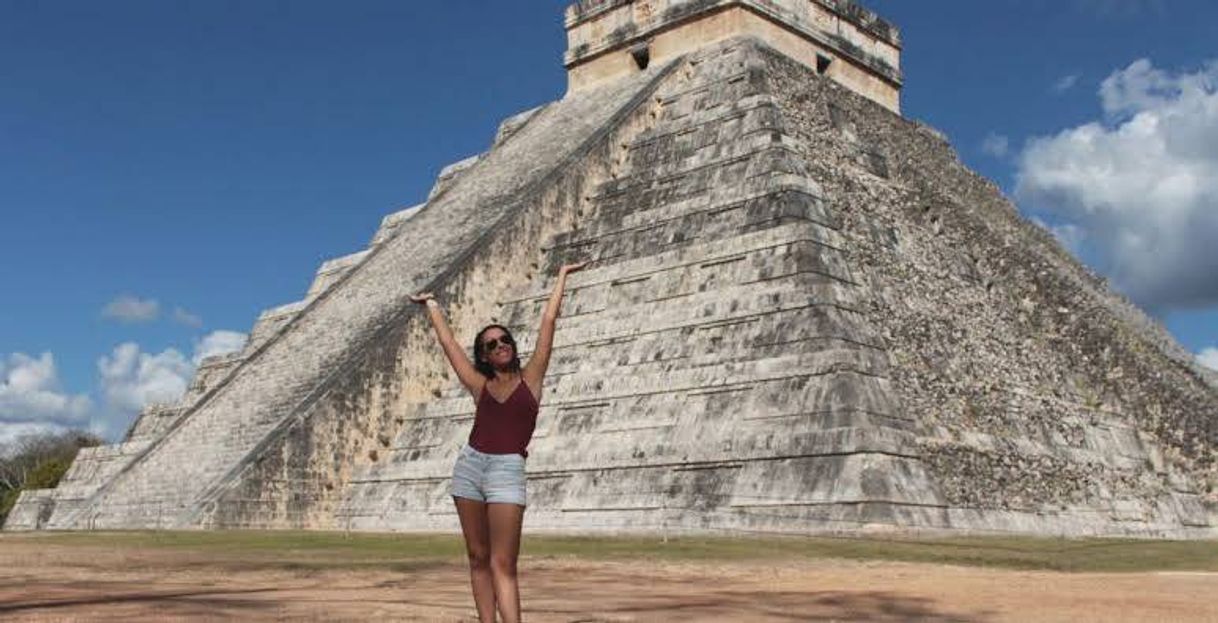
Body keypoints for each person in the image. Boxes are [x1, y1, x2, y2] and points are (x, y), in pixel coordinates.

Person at [410, 260, 587, 623]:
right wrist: (432, 305)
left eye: (505, 339)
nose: (500, 344)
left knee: (503, 562)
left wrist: (561, 276)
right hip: (470, 467)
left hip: (507, 470)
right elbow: (449, 347)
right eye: (492, 344)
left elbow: (548, 324)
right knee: (477, 557)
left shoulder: (531, 378)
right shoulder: (480, 386)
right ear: (485, 356)